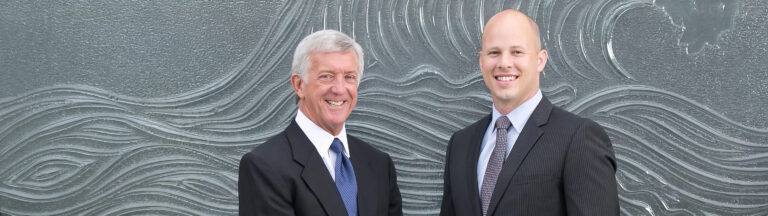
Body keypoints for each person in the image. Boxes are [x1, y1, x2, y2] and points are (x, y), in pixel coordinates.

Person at [440, 9, 619, 216]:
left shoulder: (578, 139)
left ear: (540, 60)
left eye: (517, 52)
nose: (504, 63)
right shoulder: (460, 144)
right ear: (481, 61)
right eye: (494, 52)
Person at [238, 30, 403, 216]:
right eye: (327, 76)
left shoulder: (379, 164)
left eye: (349, 77)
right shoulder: (265, 166)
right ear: (299, 85)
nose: (339, 89)